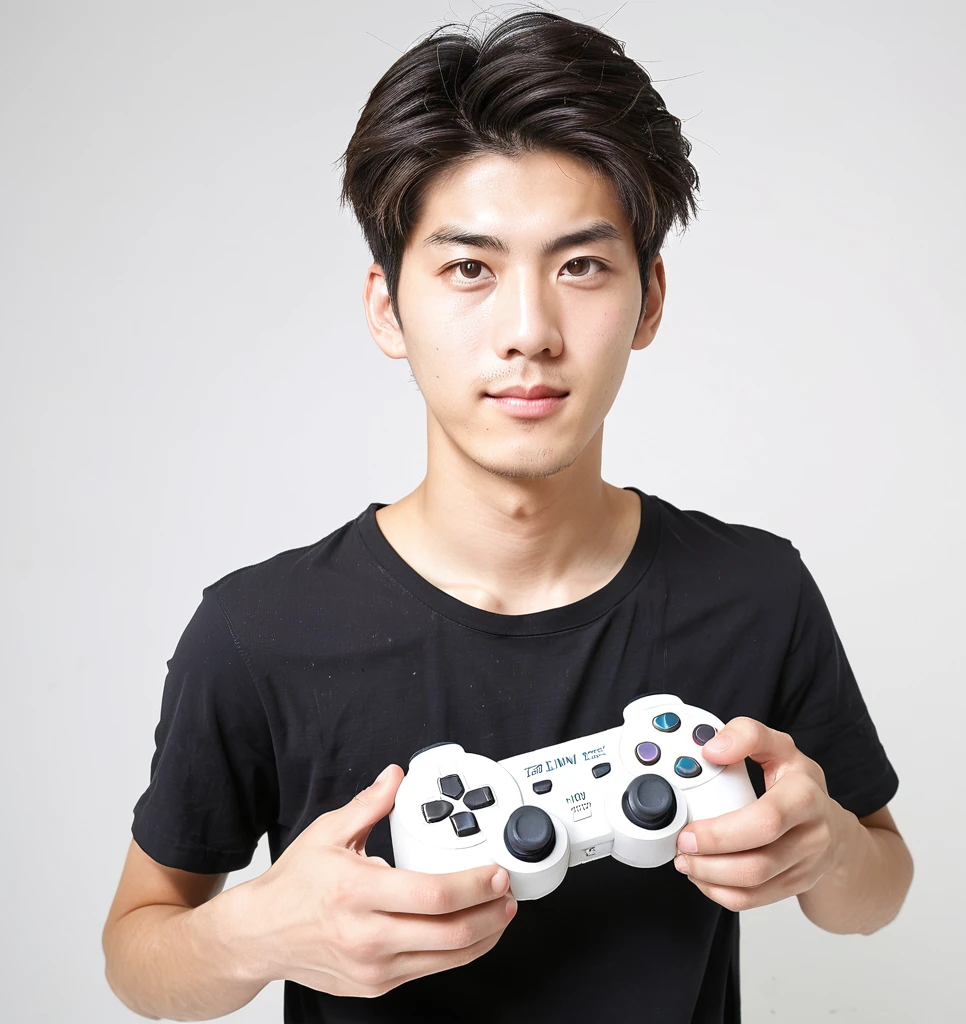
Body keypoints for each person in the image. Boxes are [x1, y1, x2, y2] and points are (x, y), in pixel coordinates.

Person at [101, 10, 913, 1023]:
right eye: (468, 269)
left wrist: (825, 845)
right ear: (387, 306)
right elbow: (137, 950)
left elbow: (875, 887)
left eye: (580, 265)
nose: (528, 331)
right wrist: (257, 931)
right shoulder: (256, 631)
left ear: (648, 299)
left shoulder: (753, 591)